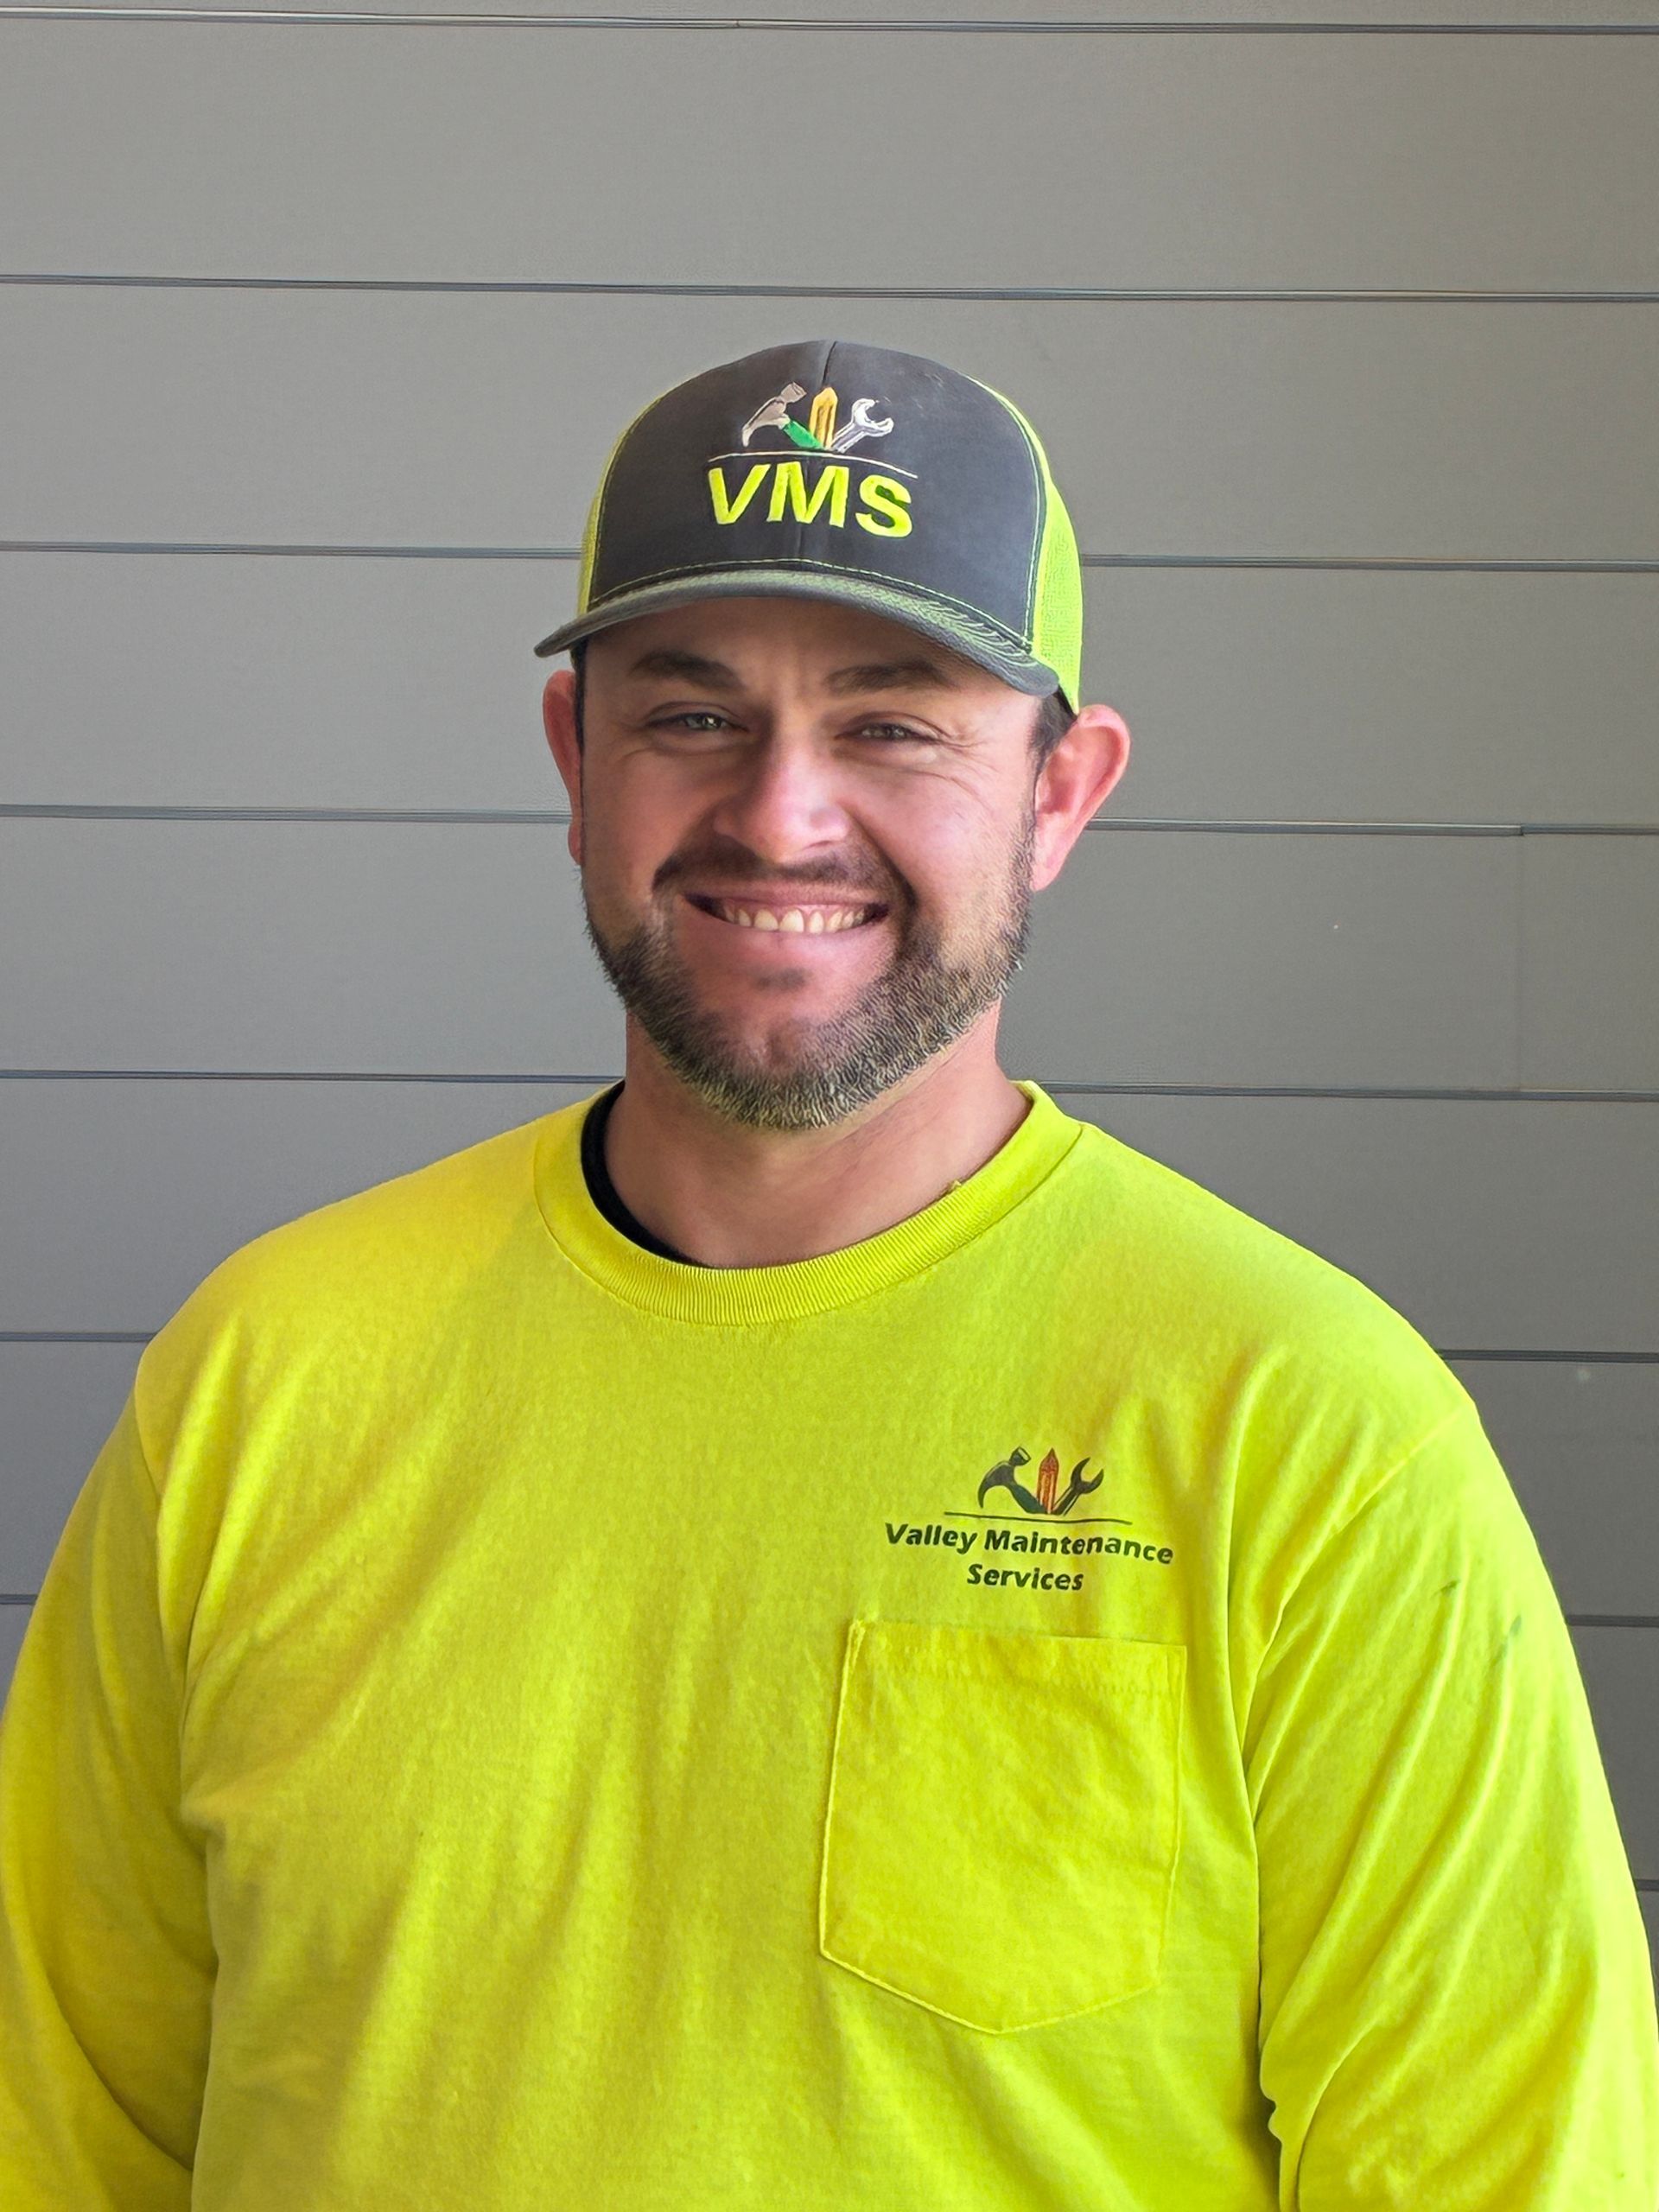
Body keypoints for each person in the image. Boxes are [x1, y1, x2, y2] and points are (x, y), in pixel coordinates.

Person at [1, 338, 1654, 2210]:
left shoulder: (1312, 1435)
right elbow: (63, 2123)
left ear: (1061, 787)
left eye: (894, 720)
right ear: (577, 758)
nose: (783, 814)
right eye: (690, 714)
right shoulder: (263, 1371)